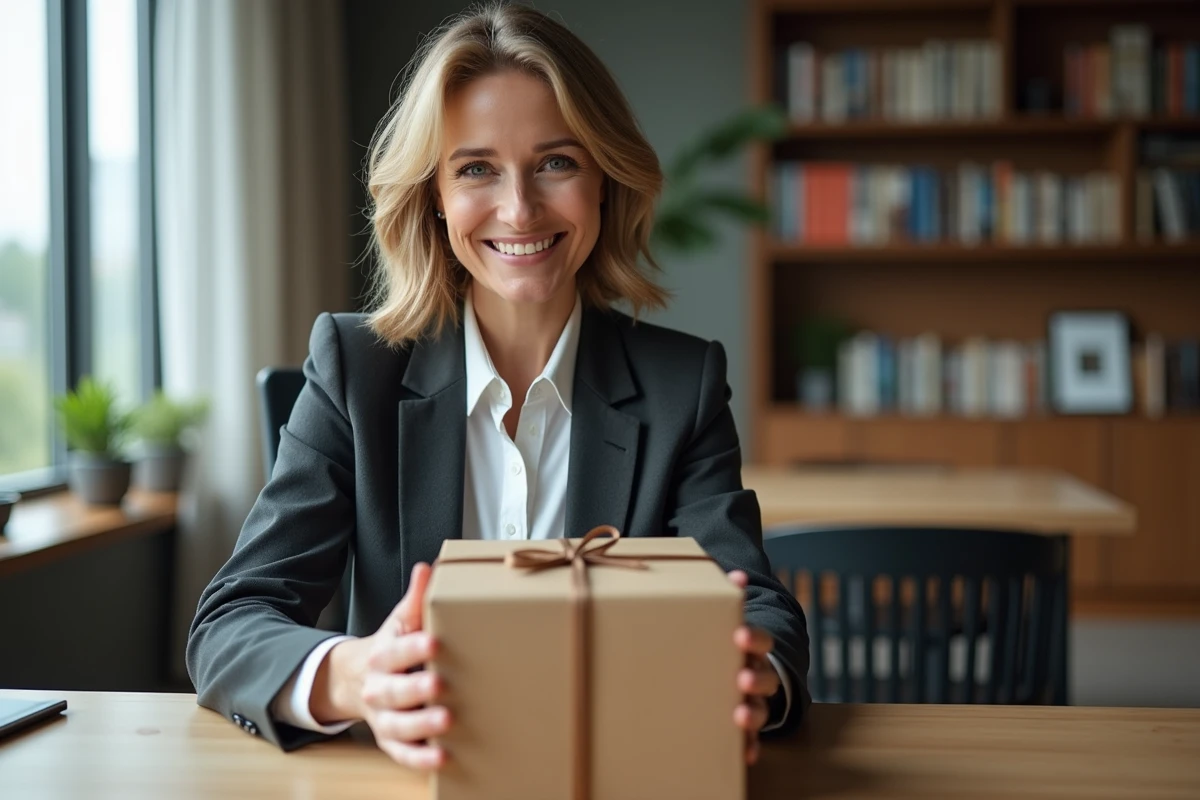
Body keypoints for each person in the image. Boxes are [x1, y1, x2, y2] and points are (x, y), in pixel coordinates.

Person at [187, 0, 810, 771]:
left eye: (557, 162)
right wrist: (353, 677)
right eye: (476, 168)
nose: (520, 208)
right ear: (434, 196)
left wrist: (750, 675)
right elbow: (232, 620)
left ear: (605, 180)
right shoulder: (355, 369)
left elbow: (758, 606)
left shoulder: (681, 383)